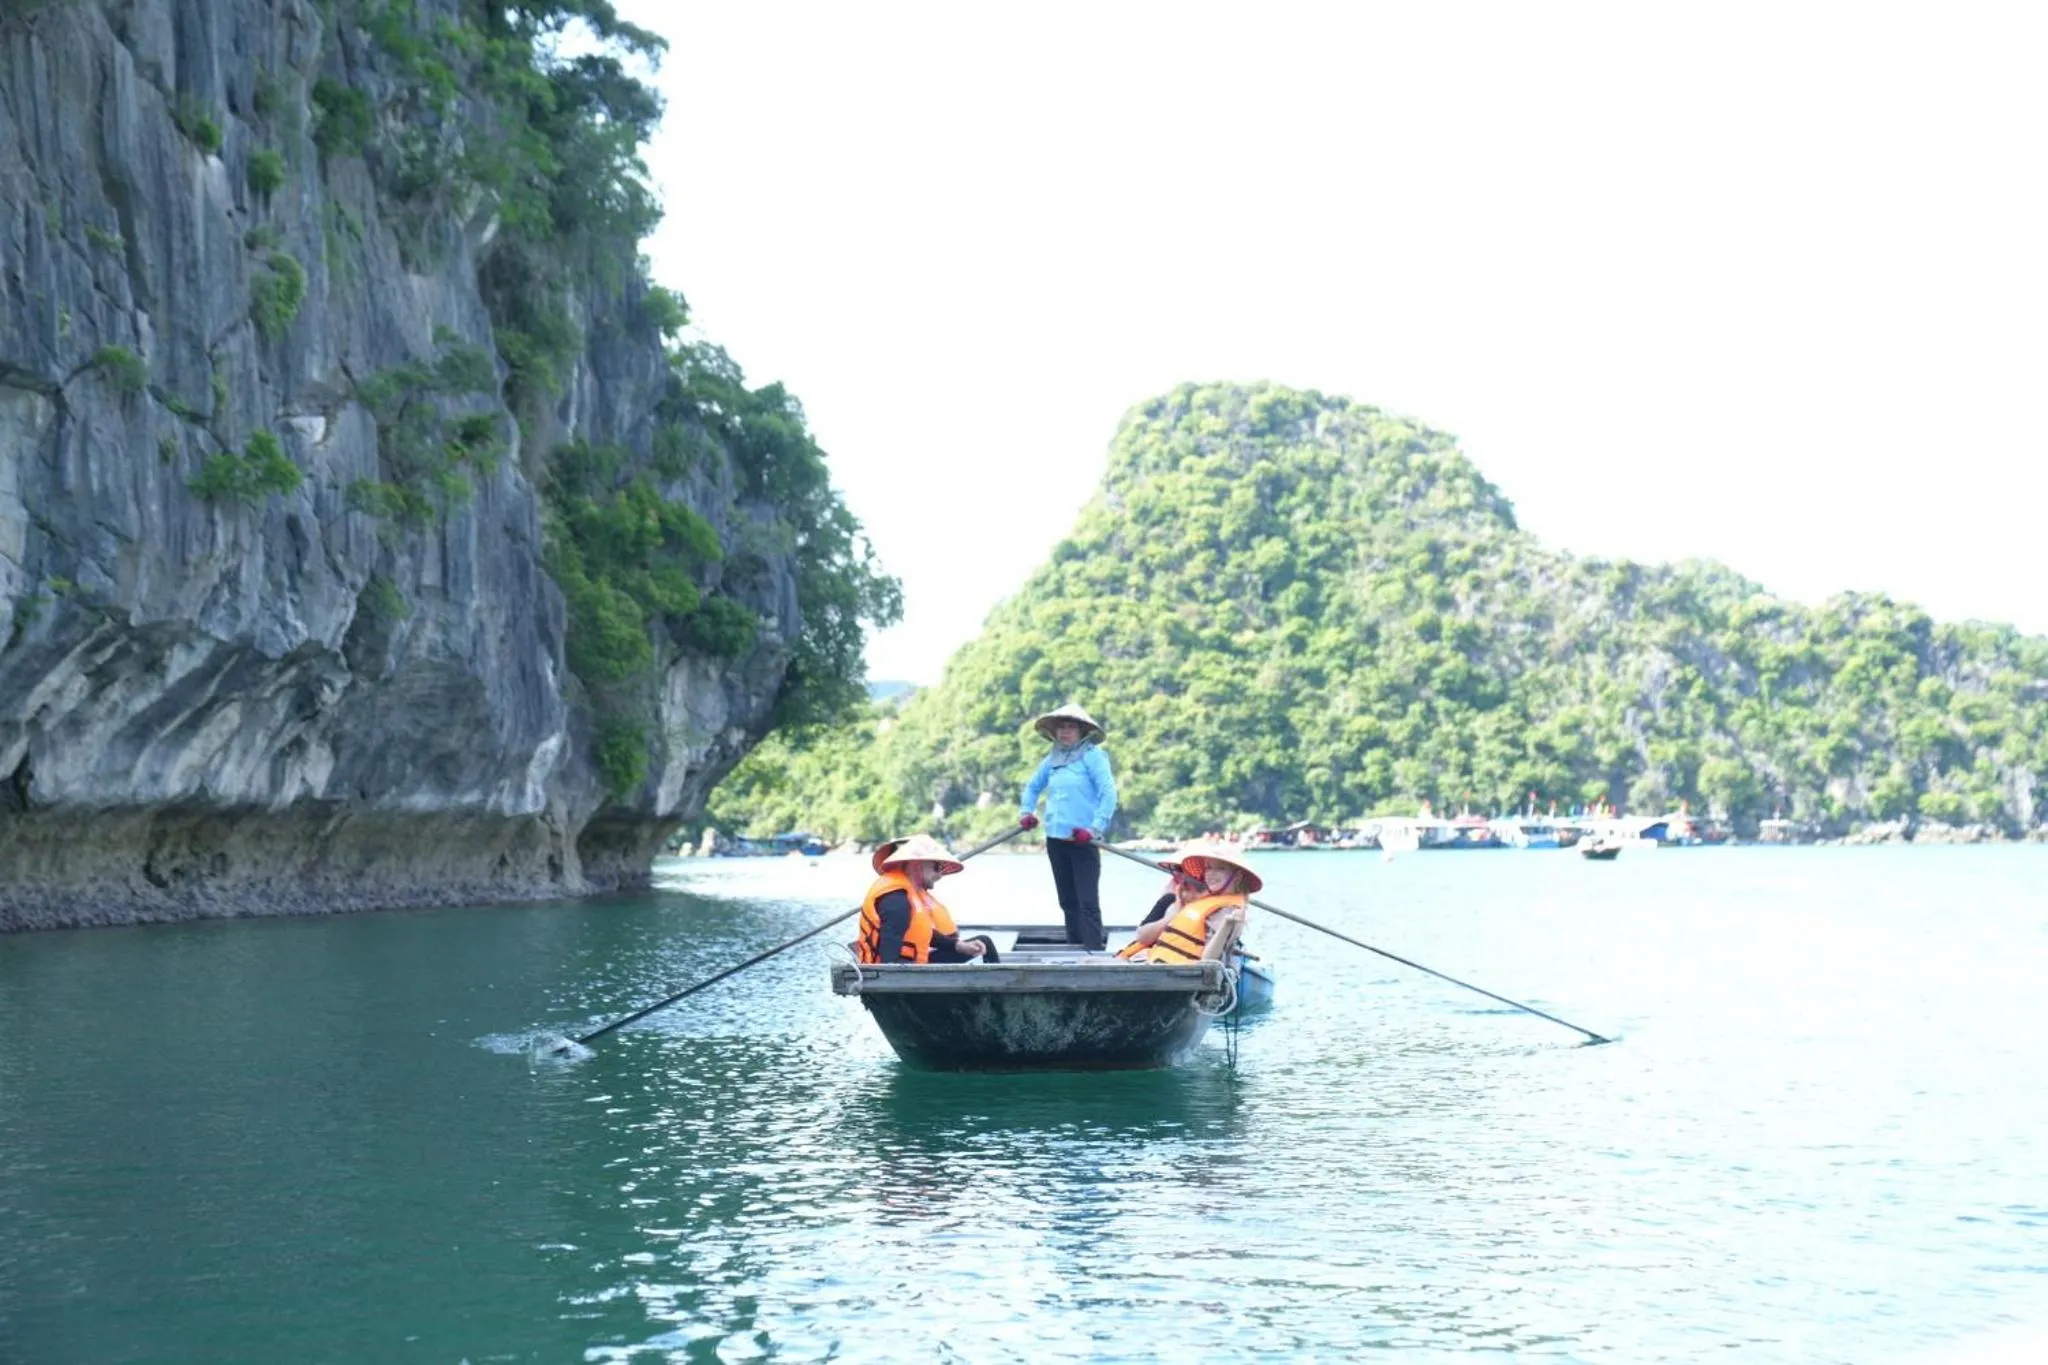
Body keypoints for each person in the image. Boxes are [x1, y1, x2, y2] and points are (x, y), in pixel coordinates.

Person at [1017, 703, 1118, 950]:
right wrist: (1026, 812)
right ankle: (1074, 948)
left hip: (1083, 840)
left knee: (1087, 903)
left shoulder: (1093, 756)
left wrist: (1094, 828)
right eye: (1062, 726)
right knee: (1067, 901)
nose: (1065, 731)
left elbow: (1108, 793)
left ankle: (1093, 950)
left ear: (1082, 731)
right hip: (1055, 840)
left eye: (1071, 726)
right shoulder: (1052, 758)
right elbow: (1032, 787)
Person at [858, 834, 998, 965]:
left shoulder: (911, 894)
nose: (940, 875)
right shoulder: (897, 900)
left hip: (914, 965)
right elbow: (888, 957)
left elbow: (923, 933)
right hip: (898, 974)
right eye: (937, 867)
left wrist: (958, 946)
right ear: (916, 865)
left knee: (983, 942)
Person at [1117, 842, 1259, 964]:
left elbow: (1208, 960)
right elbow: (1143, 936)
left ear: (1237, 876)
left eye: (1220, 868)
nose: (1211, 873)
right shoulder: (1184, 900)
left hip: (1183, 973)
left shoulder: (1230, 910)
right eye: (1209, 868)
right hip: (1158, 963)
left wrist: (1227, 925)